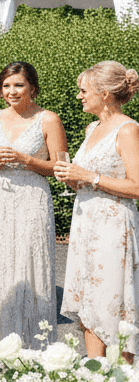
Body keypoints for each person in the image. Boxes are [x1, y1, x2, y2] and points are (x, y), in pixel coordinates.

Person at [0, 62, 67, 364]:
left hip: (32, 200)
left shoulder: (49, 119)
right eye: (7, 86)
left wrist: (25, 159)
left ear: (32, 87)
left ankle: (33, 350)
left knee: (28, 267)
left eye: (18, 85)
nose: (12, 91)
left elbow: (61, 168)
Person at [54, 61, 139, 361]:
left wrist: (89, 177)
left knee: (113, 300)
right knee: (89, 299)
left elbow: (137, 186)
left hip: (113, 226)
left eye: (83, 90)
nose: (79, 96)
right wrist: (74, 179)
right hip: (85, 222)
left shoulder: (128, 130)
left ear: (104, 93)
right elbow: (88, 177)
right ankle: (94, 377)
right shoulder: (92, 128)